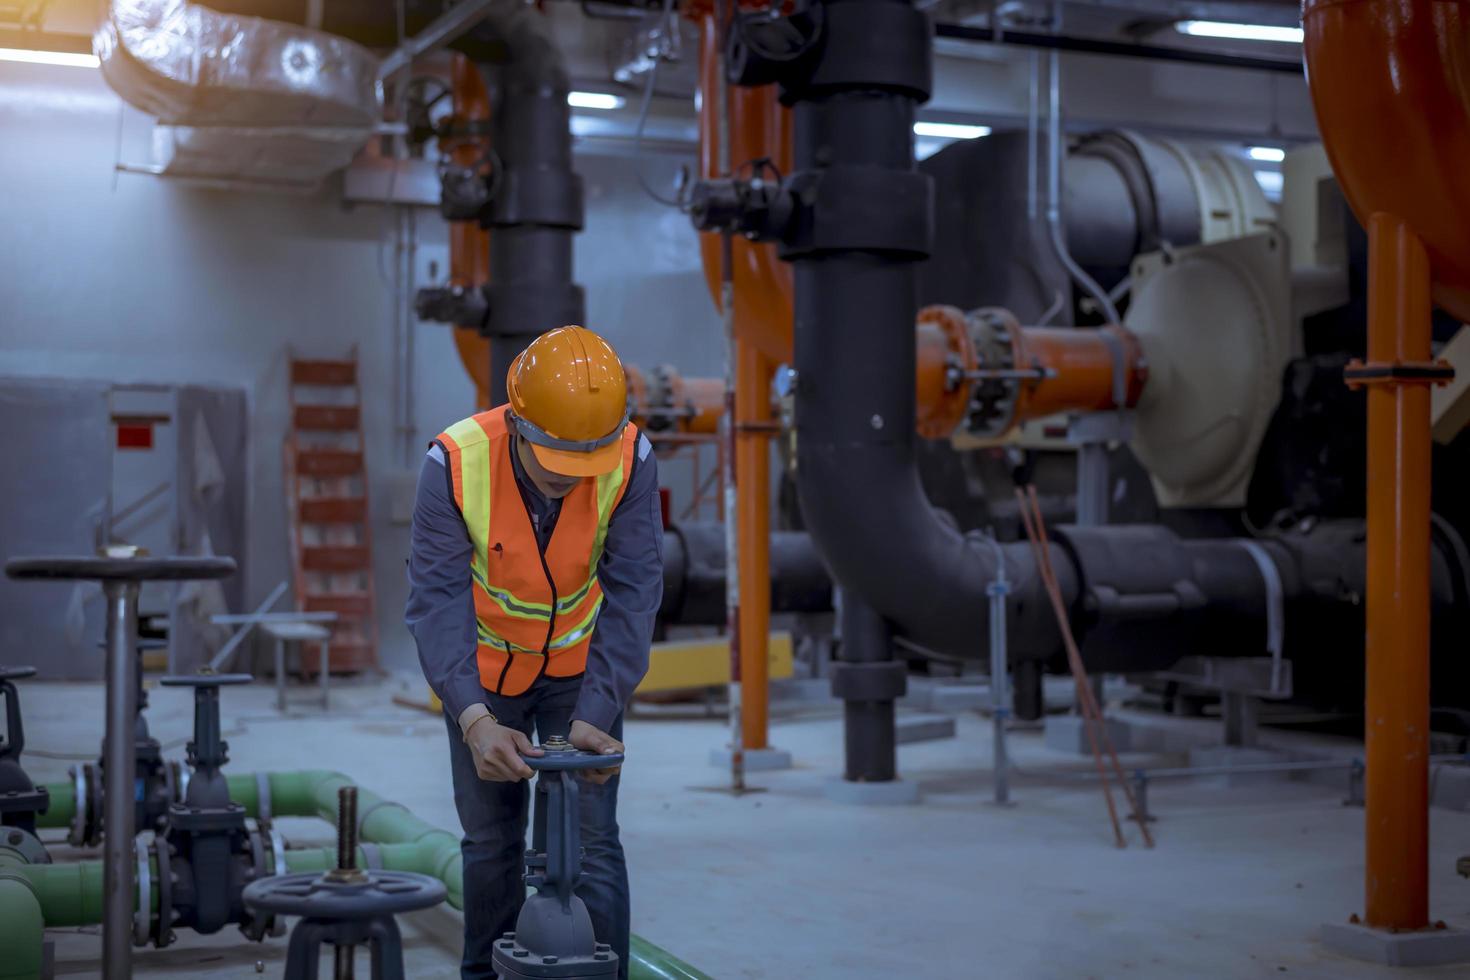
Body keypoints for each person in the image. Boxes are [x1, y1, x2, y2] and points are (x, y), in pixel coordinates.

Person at [406, 325, 662, 980]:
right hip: (485, 678)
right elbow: (436, 601)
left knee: (591, 842)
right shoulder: (456, 463)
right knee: (492, 844)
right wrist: (472, 718)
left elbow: (636, 590)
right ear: (518, 424)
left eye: (586, 464)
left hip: (579, 674)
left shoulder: (630, 459)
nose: (570, 481)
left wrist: (600, 709)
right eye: (556, 461)